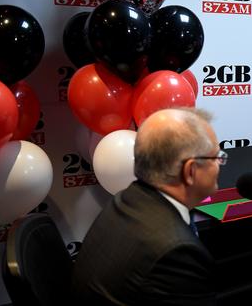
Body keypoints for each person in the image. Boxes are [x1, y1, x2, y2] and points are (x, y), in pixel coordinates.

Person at [72, 108, 224, 306]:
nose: (220, 164)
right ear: (190, 170)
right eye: (217, 157)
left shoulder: (126, 200)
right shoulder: (177, 252)